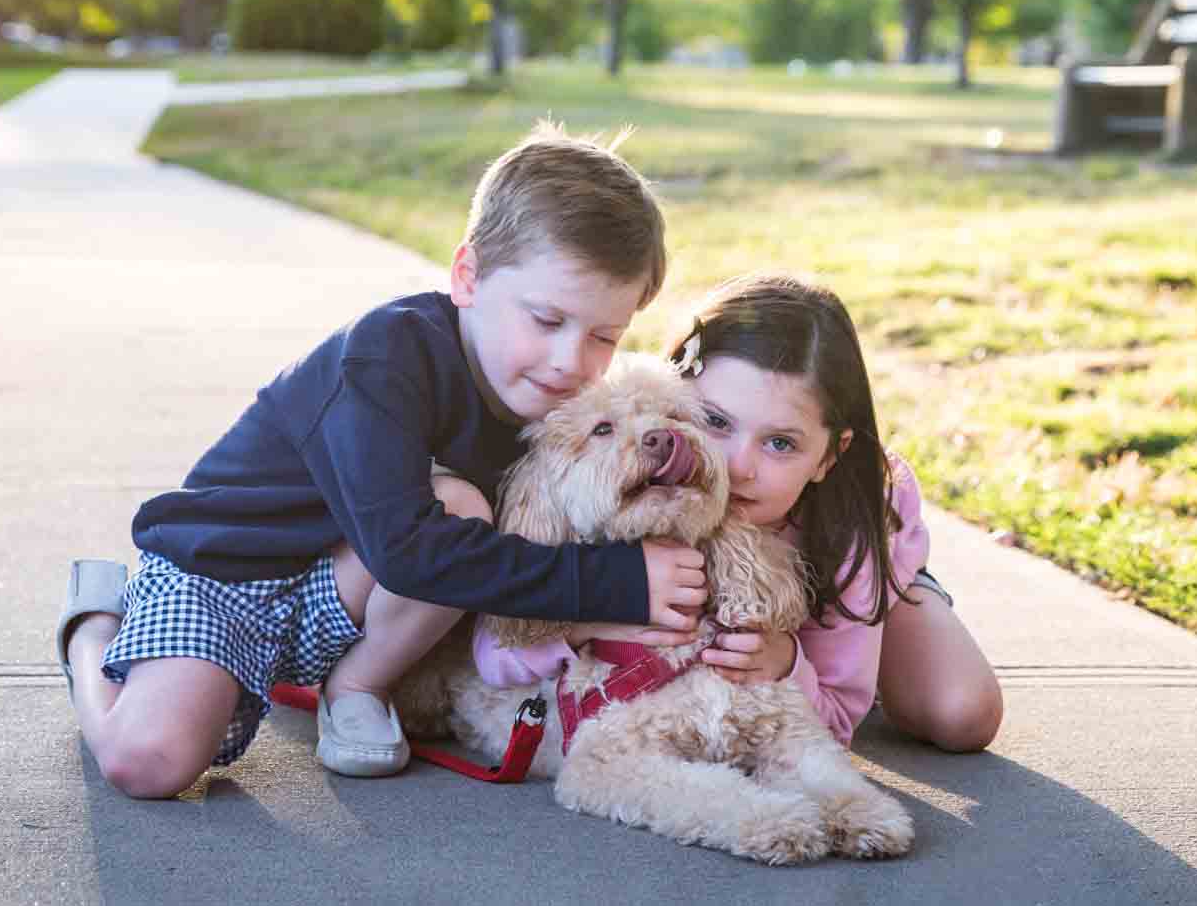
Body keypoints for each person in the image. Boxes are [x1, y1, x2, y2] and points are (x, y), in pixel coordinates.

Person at [55, 124, 710, 795]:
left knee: (462, 507)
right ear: (469, 275)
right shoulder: (383, 359)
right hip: (225, 574)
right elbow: (407, 552)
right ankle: (95, 624)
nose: (571, 360)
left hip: (347, 583)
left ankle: (358, 686)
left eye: (604, 335)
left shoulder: (555, 402)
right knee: (150, 763)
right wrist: (618, 582)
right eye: (546, 321)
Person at [474, 272, 1002, 752]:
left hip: (854, 563)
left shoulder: (852, 530)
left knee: (963, 714)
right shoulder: (631, 487)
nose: (738, 466)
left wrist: (788, 664)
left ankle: (891, 611)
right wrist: (588, 619)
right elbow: (496, 653)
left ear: (828, 456)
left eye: (780, 443)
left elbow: (839, 720)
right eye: (715, 422)